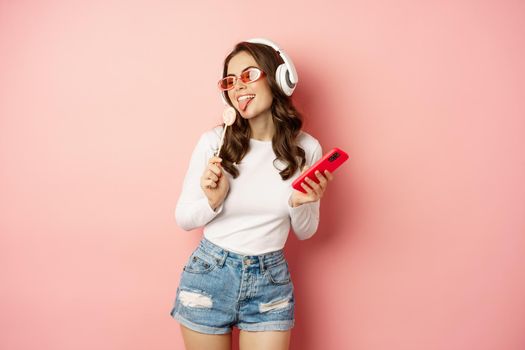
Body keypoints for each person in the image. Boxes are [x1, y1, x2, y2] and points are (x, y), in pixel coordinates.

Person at [170, 38, 334, 350]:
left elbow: (306, 230)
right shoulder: (213, 142)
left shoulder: (307, 149)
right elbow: (184, 218)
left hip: (270, 281)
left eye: (249, 75)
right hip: (209, 274)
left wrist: (299, 203)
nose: (238, 88)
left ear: (279, 78)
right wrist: (213, 201)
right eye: (230, 81)